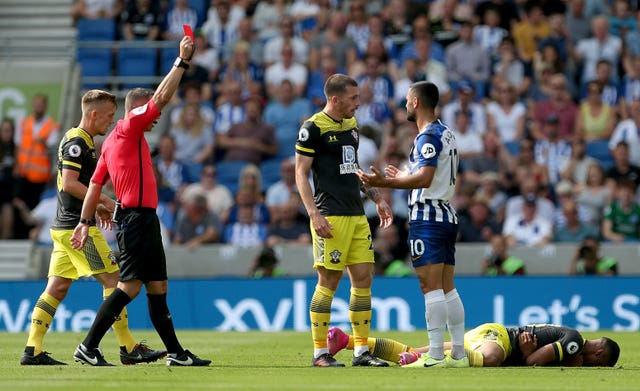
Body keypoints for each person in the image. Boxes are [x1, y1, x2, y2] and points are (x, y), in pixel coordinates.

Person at [70, 36, 210, 367]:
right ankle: (88, 346)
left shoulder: (112, 144)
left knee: (157, 286)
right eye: (152, 112)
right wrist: (182, 62)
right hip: (134, 220)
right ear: (139, 109)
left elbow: (93, 186)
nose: (157, 118)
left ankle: (176, 353)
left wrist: (85, 222)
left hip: (143, 219)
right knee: (129, 287)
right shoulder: (131, 126)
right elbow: (161, 96)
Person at [20, 90, 165, 366]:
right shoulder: (77, 142)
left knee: (58, 287)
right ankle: (127, 346)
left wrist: (95, 205)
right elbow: (70, 183)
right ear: (94, 113)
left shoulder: (78, 139)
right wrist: (106, 202)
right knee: (114, 279)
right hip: (76, 227)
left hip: (62, 227)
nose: (112, 121)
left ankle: (32, 349)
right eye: (109, 116)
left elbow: (64, 184)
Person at [357, 81, 468, 368]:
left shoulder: (427, 136)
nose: (405, 104)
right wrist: (405, 173)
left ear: (416, 102)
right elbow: (426, 173)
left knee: (429, 286)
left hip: (428, 218)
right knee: (447, 288)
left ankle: (435, 355)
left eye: (407, 99)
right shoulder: (446, 133)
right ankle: (457, 353)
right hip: (445, 214)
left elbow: (426, 179)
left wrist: (386, 182)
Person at [295, 73, 393, 367]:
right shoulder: (312, 128)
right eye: (353, 98)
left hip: (357, 214)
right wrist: (314, 214)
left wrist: (376, 197)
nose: (358, 103)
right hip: (331, 216)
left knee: (363, 278)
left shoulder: (351, 125)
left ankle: (361, 351)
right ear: (335, 99)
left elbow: (352, 167)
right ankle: (319, 353)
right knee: (329, 280)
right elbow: (300, 173)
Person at [326, 323, 620, 367]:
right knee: (490, 359)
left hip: (488, 334)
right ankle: (418, 364)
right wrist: (529, 354)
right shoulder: (576, 342)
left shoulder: (573, 337)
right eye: (598, 364)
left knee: (417, 349)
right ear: (599, 353)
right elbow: (532, 360)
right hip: (498, 339)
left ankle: (348, 341)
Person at [15, 94, 60, 210]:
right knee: (19, 205)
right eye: (36, 104)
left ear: (46, 106)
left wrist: (43, 142)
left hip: (40, 177)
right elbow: (18, 145)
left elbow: (52, 147)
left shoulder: (52, 126)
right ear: (32, 105)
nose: (38, 107)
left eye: (41, 105)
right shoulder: (24, 123)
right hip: (23, 174)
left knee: (35, 207)